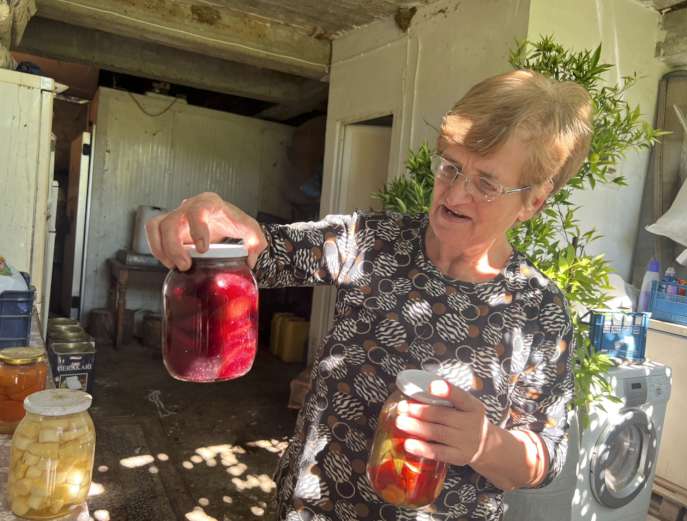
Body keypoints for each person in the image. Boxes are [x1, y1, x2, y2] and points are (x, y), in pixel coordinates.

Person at [147, 69, 593, 521]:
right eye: (451, 167)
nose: (456, 195)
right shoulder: (372, 242)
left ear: (533, 201)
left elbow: (545, 456)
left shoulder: (538, 309)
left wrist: (484, 444)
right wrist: (213, 220)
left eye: (487, 184)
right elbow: (262, 252)